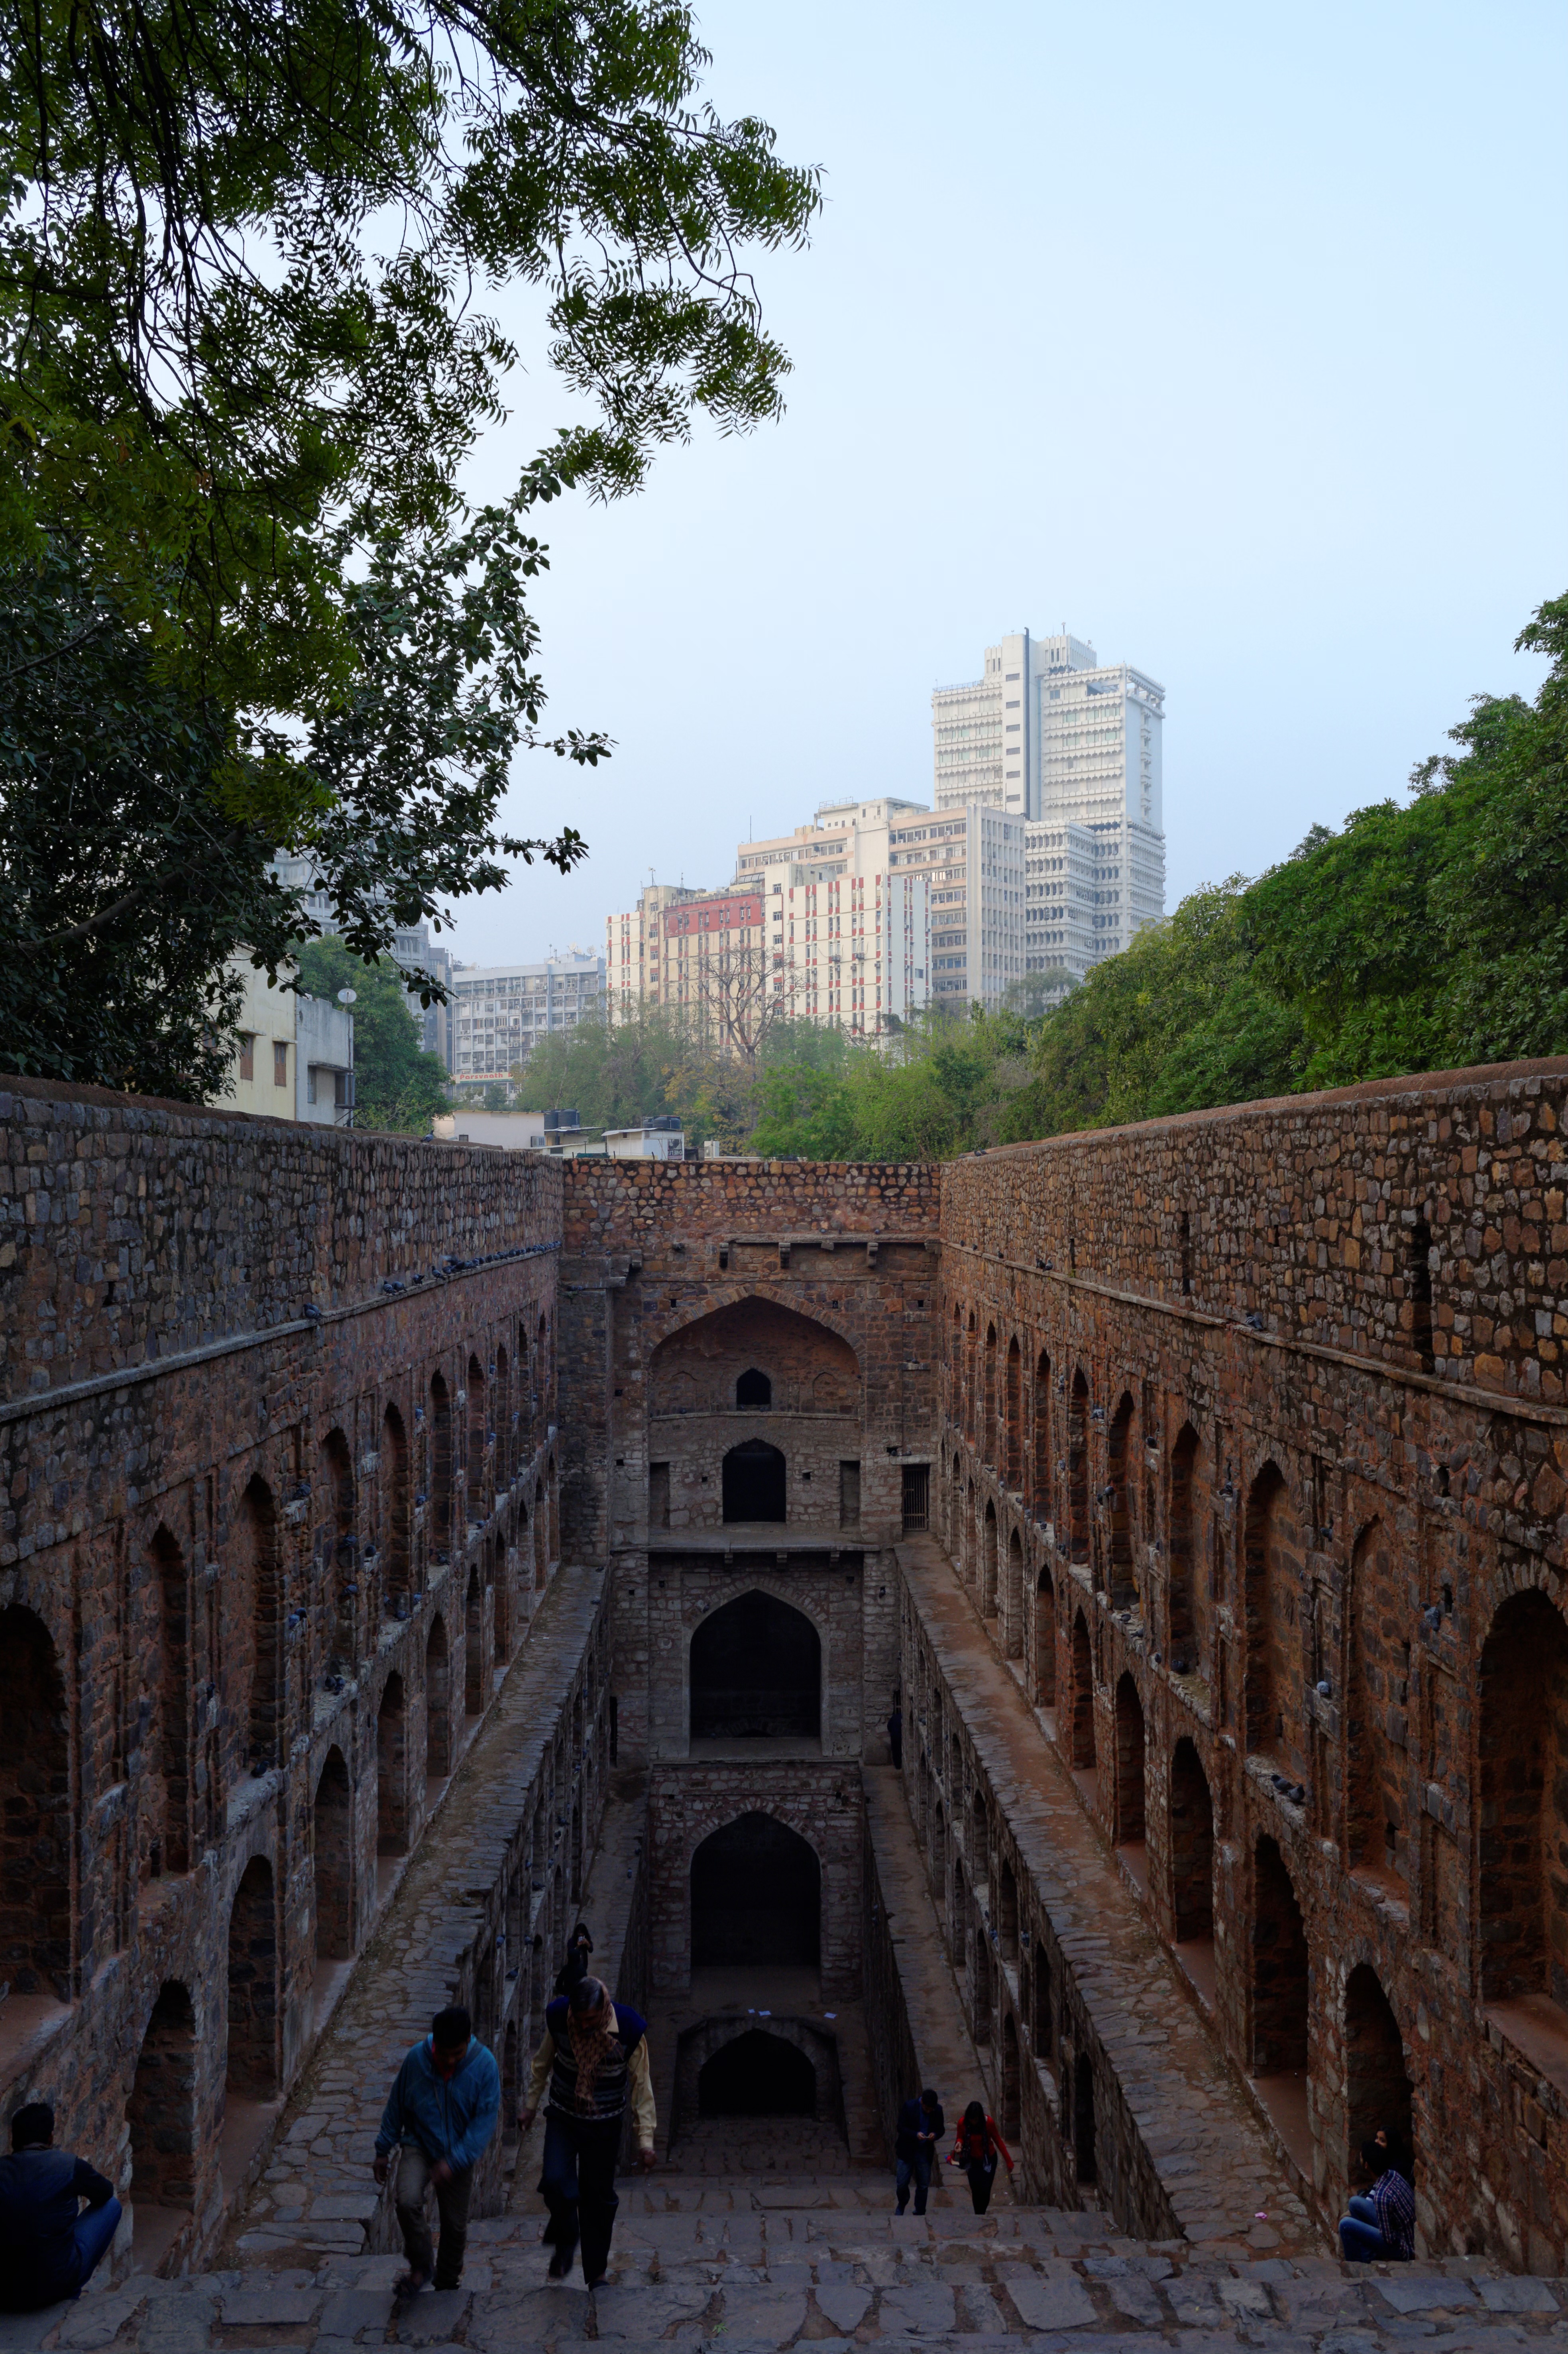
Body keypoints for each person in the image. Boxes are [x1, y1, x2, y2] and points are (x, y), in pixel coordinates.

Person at [521, 1975, 656, 2290]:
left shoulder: (629, 2030)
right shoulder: (559, 2019)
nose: (584, 2027)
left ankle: (596, 2274)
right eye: (580, 2020)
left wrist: (645, 2140)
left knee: (597, 2200)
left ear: (604, 2009)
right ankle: (567, 2238)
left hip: (605, 2125)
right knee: (556, 2181)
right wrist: (530, 2105)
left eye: (592, 2020)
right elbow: (542, 2063)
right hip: (564, 2117)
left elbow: (641, 2087)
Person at [374, 2004, 500, 2298]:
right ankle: (421, 2267)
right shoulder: (417, 2060)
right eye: (444, 2054)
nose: (450, 2060)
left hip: (459, 2152)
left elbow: (483, 2123)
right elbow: (397, 2105)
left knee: (455, 2226)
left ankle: (447, 2283)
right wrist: (383, 2149)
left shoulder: (485, 2067)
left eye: (457, 2053)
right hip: (419, 2143)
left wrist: (455, 2161)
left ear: (468, 2042)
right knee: (406, 2201)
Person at [0, 2103, 120, 2313]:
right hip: (56, 2283)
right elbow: (105, 2193)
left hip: (8, 2292)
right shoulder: (68, 2165)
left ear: (14, 2139)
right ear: (50, 2138)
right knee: (112, 2206)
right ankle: (70, 2292)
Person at [1338, 2128, 1415, 2262]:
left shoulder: (1381, 2197)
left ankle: (1357, 2266)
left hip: (1403, 2248)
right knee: (1354, 2202)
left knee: (1345, 2225)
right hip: (1402, 2230)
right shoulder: (1392, 2174)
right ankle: (1368, 2254)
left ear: (1367, 2166)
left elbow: (1389, 2239)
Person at [947, 2101, 1013, 2215]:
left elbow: (998, 2141)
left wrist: (1009, 2161)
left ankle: (981, 2213)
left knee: (986, 2190)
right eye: (971, 2119)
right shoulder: (963, 2123)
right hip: (972, 2161)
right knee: (976, 2190)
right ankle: (978, 2214)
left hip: (988, 2160)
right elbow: (960, 2137)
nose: (973, 2122)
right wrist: (959, 2143)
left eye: (975, 2120)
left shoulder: (989, 2123)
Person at [893, 2087, 943, 2215]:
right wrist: (915, 2134)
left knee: (923, 2185)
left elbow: (941, 2130)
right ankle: (903, 2202)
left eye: (931, 2110)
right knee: (902, 2183)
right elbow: (901, 2127)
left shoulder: (938, 2111)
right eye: (927, 2109)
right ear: (922, 2103)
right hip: (907, 2151)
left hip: (924, 2152)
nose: (929, 2112)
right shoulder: (909, 2107)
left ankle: (920, 2211)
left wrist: (935, 2135)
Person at [552, 1923, 594, 2001]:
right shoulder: (572, 1941)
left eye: (582, 1933)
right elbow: (571, 1953)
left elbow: (591, 1950)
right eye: (579, 1933)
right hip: (573, 1965)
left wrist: (587, 1944)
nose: (580, 1935)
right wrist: (578, 1946)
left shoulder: (587, 1940)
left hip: (583, 1965)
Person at [887, 1702, 904, 1771]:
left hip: (894, 1736)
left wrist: (892, 1732)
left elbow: (889, 1726)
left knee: (895, 1751)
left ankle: (897, 1766)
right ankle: (900, 1764)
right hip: (900, 1737)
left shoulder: (894, 1717)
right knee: (900, 1751)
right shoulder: (902, 1718)